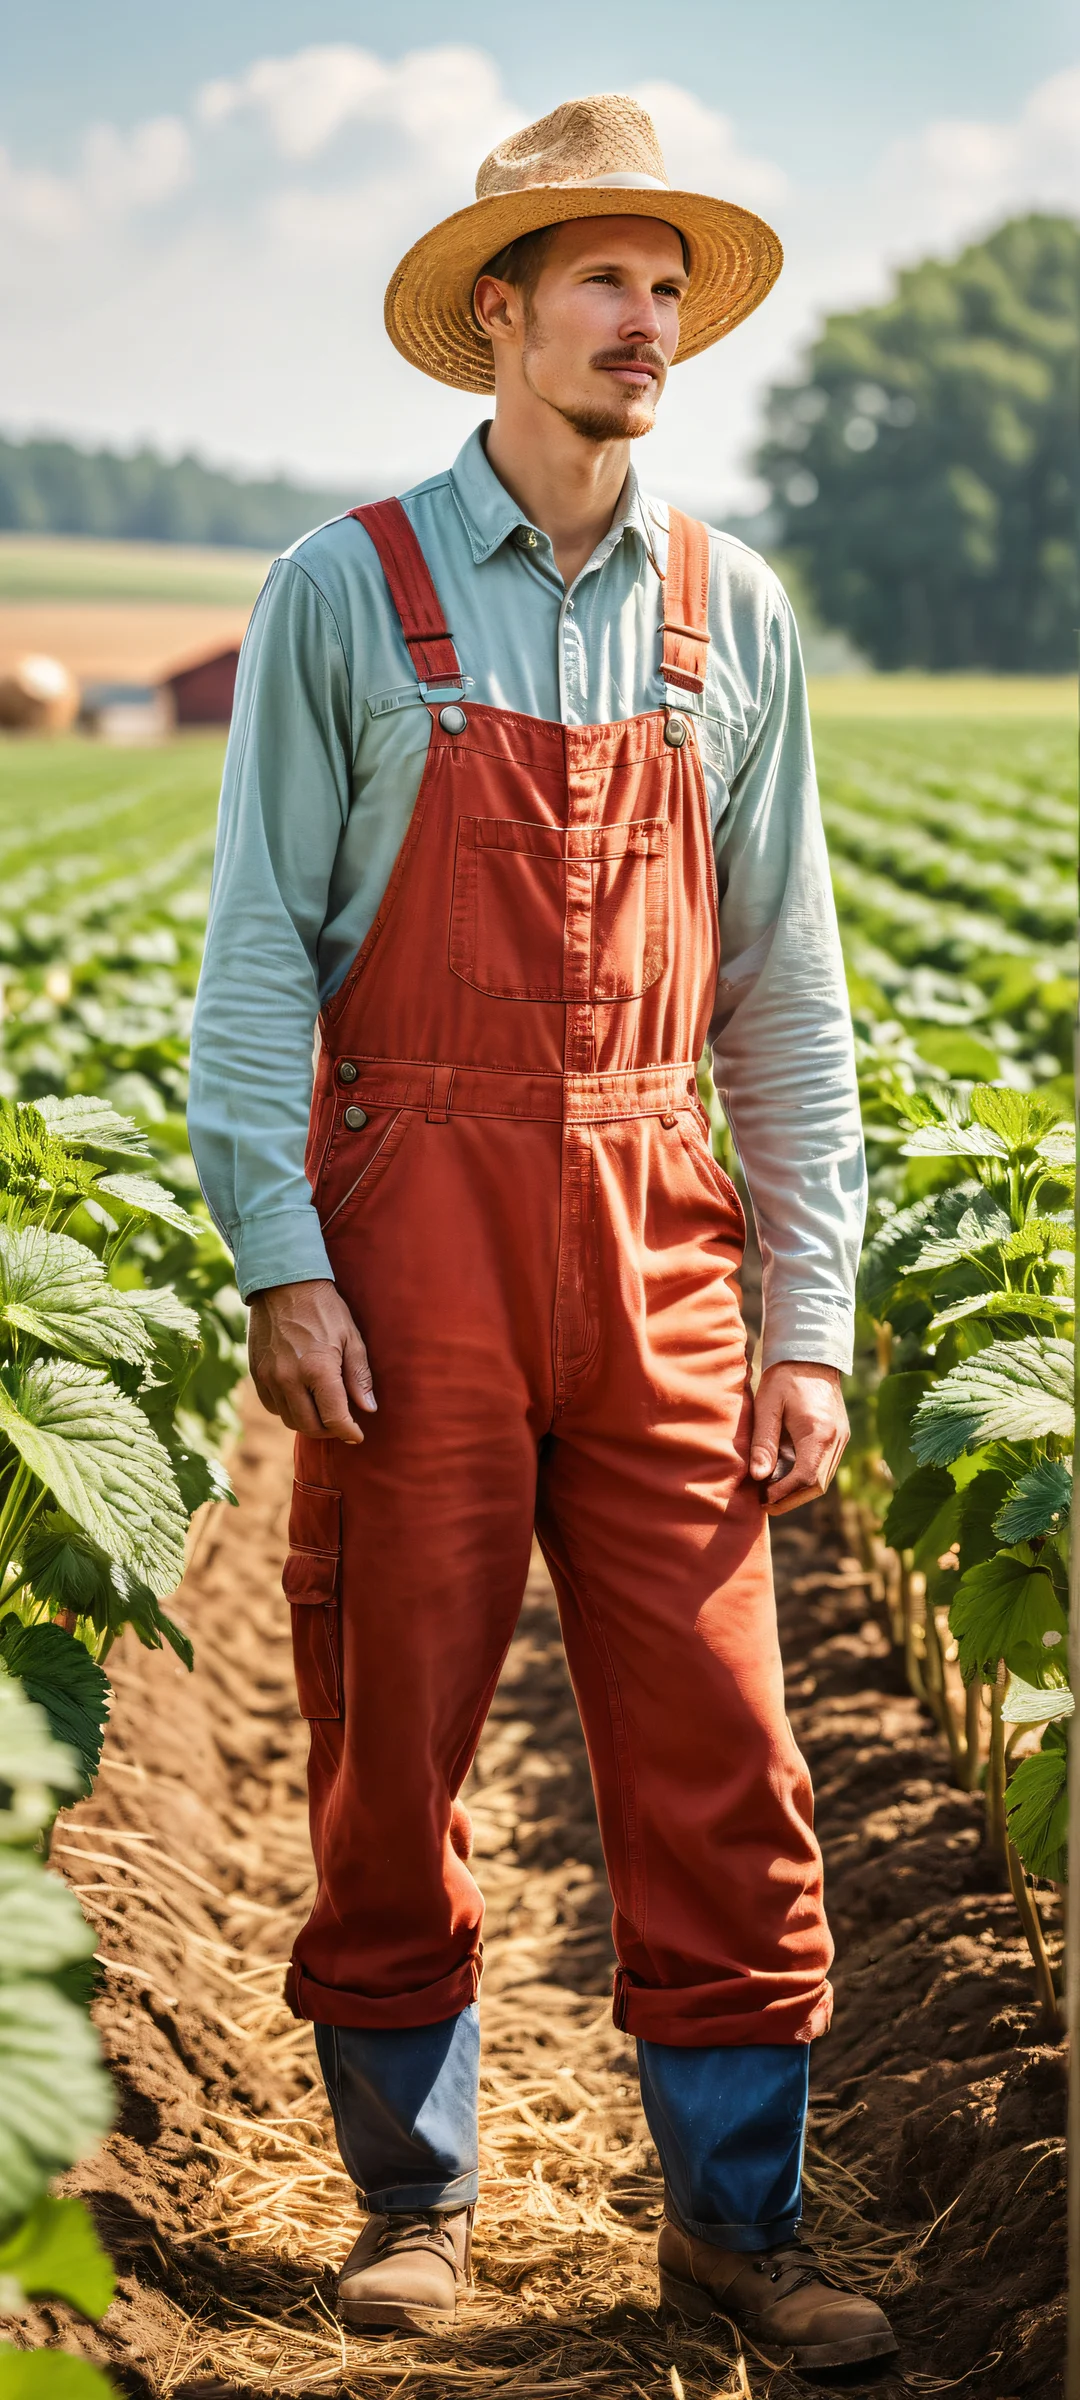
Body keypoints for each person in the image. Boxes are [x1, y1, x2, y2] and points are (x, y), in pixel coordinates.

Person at [189, 93, 896, 2373]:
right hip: (416, 1223)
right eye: (606, 278)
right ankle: (414, 2197)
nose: (647, 322)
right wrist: (283, 1257)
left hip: (661, 1224)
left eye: (670, 286)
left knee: (720, 1732)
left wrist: (815, 1315)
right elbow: (255, 962)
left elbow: (788, 988)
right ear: (494, 314)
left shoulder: (732, 613)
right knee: (389, 1717)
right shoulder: (347, 589)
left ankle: (735, 2226)